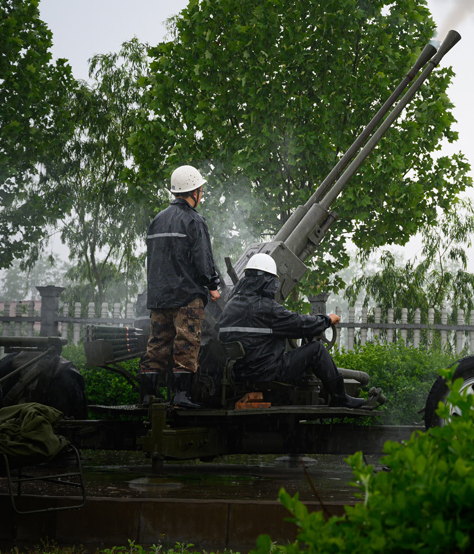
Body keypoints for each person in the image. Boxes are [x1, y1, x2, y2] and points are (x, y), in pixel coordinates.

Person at [216, 253, 366, 409]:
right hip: (267, 372)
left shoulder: (231, 306)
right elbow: (300, 325)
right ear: (268, 282)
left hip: (240, 373)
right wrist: (327, 320)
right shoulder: (266, 308)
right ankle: (340, 397)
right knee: (316, 350)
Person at [139, 164, 221, 409]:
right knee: (186, 344)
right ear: (194, 191)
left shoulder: (157, 220)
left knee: (156, 344)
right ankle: (181, 397)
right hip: (186, 297)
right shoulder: (194, 221)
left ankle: (146, 397)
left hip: (159, 297)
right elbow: (203, 259)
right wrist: (213, 285)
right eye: (201, 190)